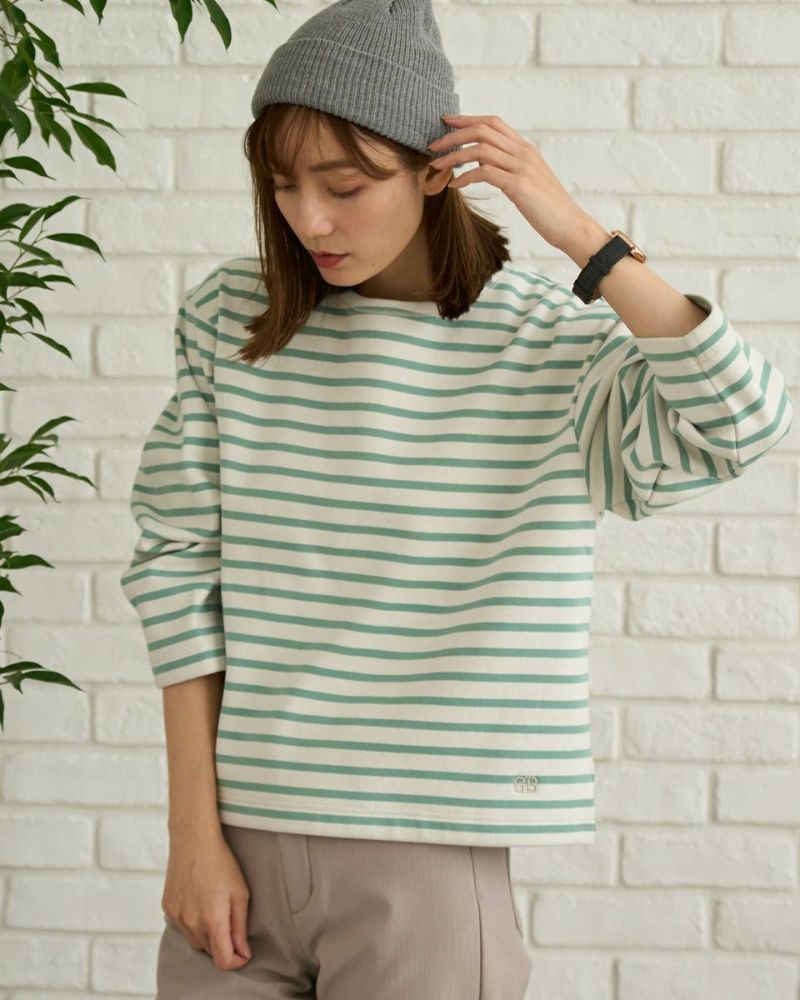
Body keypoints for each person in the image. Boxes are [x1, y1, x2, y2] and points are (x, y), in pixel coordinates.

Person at [119, 1, 794, 997]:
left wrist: (584, 240)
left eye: (345, 186)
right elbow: (178, 568)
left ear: (436, 172)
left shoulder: (547, 342)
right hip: (237, 853)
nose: (309, 219)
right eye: (283, 186)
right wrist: (192, 833)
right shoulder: (234, 315)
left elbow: (744, 423)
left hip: (429, 859)